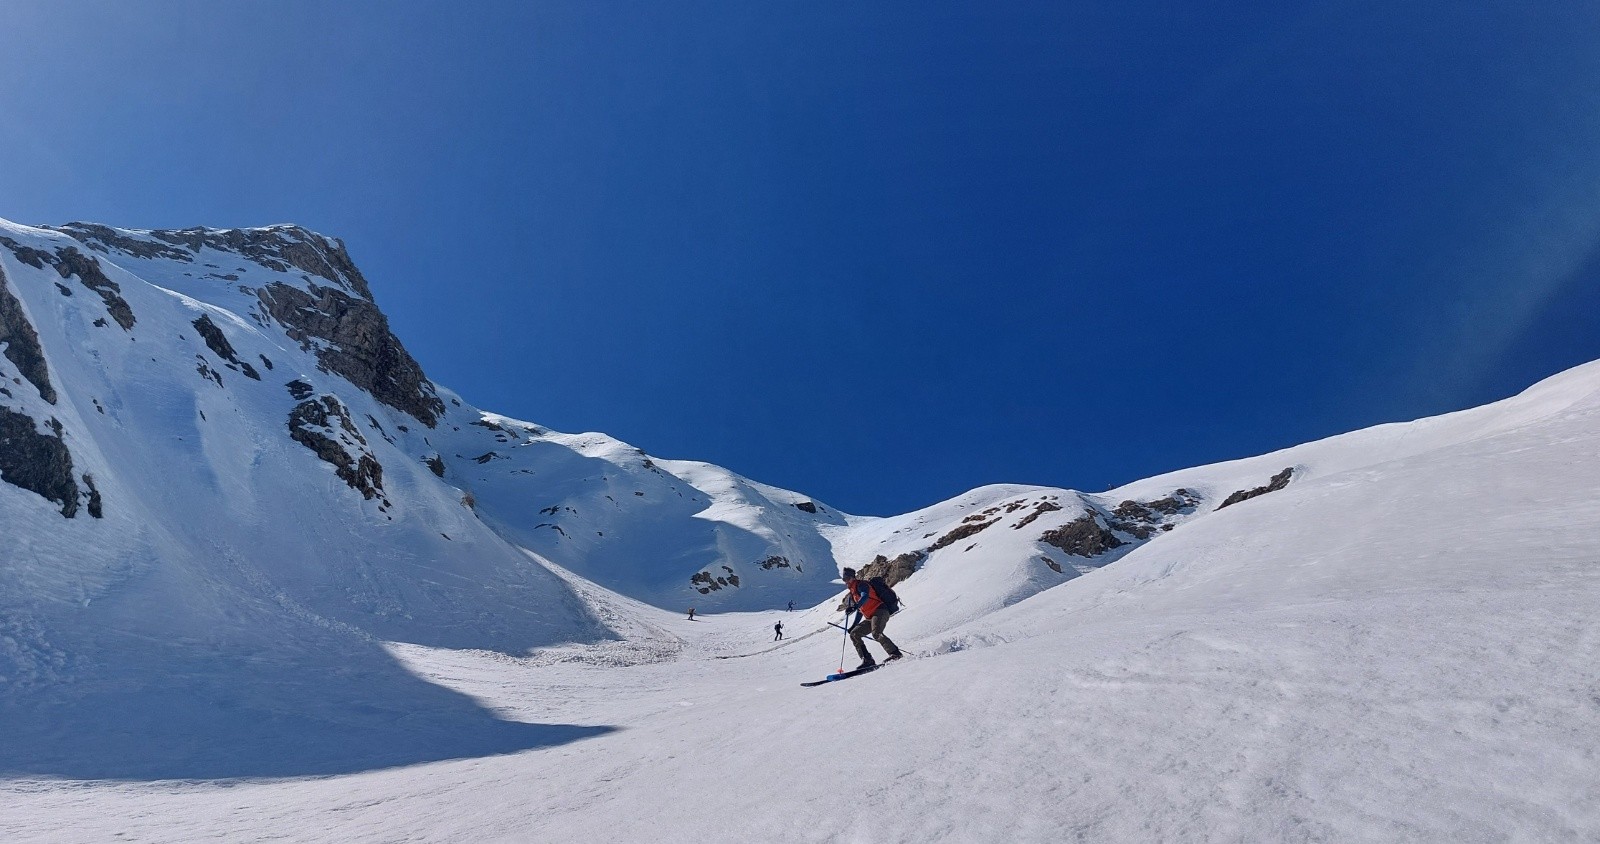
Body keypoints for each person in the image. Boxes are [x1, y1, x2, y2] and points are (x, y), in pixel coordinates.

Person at [841, 567, 902, 670]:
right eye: (844, 579)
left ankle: (895, 654)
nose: (846, 581)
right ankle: (867, 660)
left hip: (880, 611)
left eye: (848, 578)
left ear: (853, 577)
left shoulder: (861, 585)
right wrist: (853, 626)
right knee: (854, 634)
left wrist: (855, 606)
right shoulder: (853, 592)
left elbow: (865, 596)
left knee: (876, 633)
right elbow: (860, 611)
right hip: (870, 617)